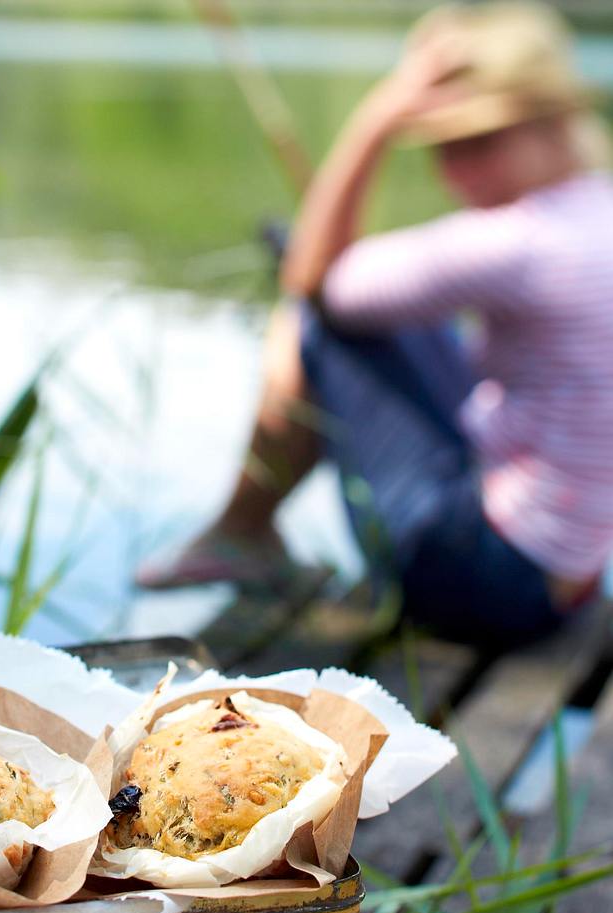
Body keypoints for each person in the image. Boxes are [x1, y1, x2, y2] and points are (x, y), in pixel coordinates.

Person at [136, 2, 613, 648]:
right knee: (399, 315)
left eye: (479, 143)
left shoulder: (516, 243)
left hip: (490, 587)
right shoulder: (597, 208)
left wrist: (375, 119)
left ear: (550, 123)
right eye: (442, 149)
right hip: (572, 581)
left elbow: (313, 281)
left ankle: (239, 535)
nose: (455, 172)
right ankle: (241, 534)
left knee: (317, 319)